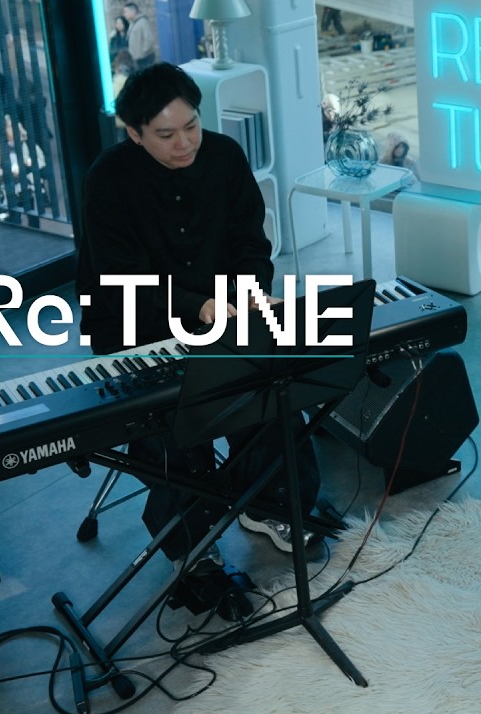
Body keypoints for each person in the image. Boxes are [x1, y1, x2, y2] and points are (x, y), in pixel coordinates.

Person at [76, 63, 320, 622]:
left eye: (191, 127)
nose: (184, 143)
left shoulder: (225, 157)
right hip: (136, 327)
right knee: (176, 421)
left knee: (274, 386)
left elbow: (251, 243)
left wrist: (248, 293)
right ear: (133, 132)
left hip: (224, 314)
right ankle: (192, 546)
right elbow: (119, 277)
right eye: (166, 134)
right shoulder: (108, 180)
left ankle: (270, 505)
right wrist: (196, 307)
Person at [123, 3, 156, 70]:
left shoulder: (142, 22)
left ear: (133, 11)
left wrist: (142, 53)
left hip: (144, 59)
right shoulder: (132, 23)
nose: (124, 14)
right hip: (136, 59)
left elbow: (149, 39)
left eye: (126, 11)